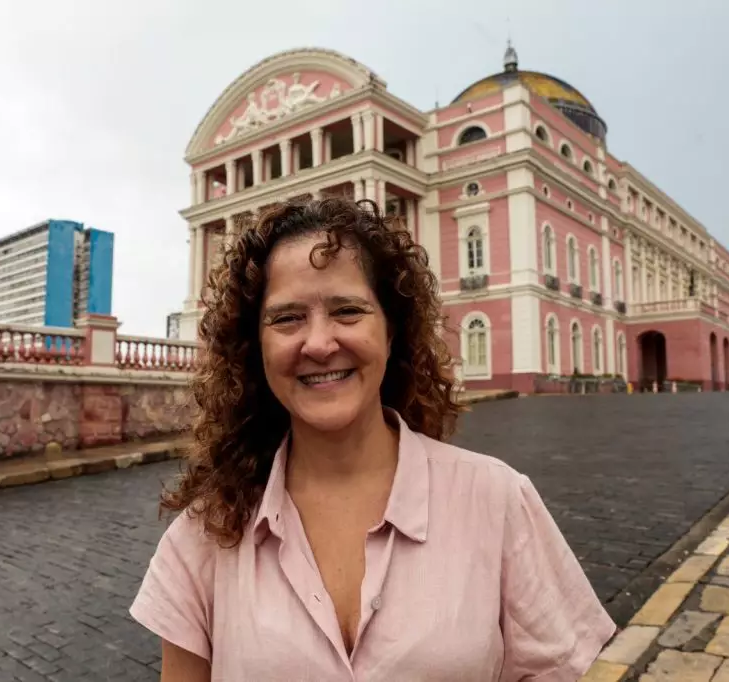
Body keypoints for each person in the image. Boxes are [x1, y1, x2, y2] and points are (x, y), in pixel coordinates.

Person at [130, 197, 616, 681]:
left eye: (347, 310)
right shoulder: (206, 535)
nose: (319, 343)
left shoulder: (496, 500)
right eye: (286, 318)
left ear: (391, 333)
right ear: (254, 348)